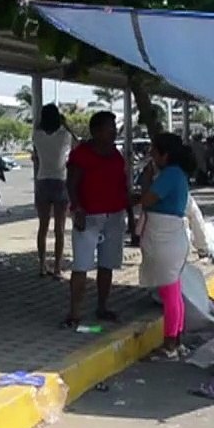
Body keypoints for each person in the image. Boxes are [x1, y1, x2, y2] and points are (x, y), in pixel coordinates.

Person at [64, 111, 130, 327]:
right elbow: (72, 184)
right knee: (82, 265)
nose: (113, 131)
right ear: (96, 130)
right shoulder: (81, 154)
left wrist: (130, 216)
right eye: (108, 127)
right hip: (89, 216)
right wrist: (78, 209)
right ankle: (74, 313)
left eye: (114, 127)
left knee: (107, 264)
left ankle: (102, 306)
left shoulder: (116, 154)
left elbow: (123, 187)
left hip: (114, 215)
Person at [139, 134, 195, 358]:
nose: (151, 155)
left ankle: (170, 344)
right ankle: (176, 339)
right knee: (174, 290)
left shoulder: (170, 175)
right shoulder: (177, 174)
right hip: (173, 238)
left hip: (165, 238)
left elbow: (148, 200)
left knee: (169, 292)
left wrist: (145, 180)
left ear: (165, 155)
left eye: (154, 151)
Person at [31, 104, 74, 277]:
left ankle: (42, 265)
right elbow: (77, 142)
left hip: (42, 181)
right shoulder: (64, 136)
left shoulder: (37, 136)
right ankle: (57, 267)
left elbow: (36, 130)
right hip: (60, 181)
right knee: (60, 228)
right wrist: (66, 124)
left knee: (43, 226)